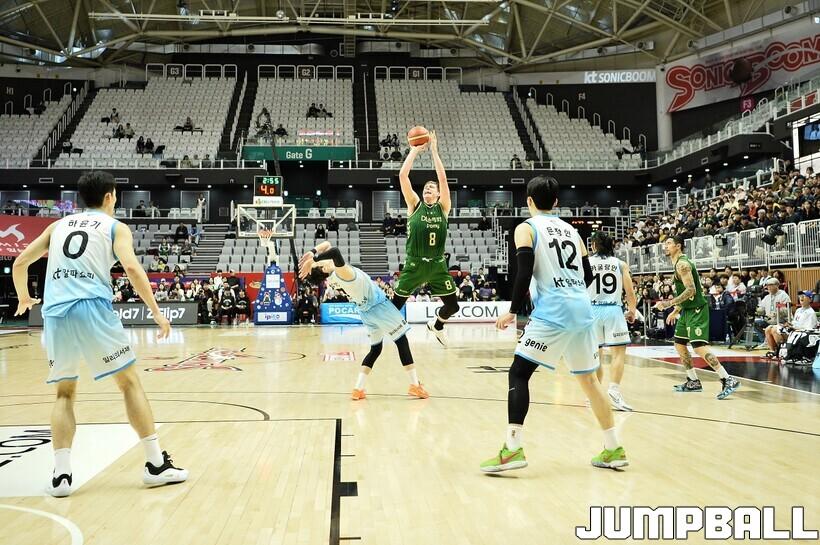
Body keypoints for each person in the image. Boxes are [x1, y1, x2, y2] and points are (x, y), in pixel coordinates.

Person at [11, 171, 187, 497]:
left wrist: (24, 297)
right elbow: (131, 268)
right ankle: (155, 464)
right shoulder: (115, 227)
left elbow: (20, 263)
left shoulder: (56, 226)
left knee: (64, 394)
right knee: (129, 383)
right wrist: (156, 312)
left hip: (55, 312)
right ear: (109, 196)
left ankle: (61, 475)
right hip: (91, 307)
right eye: (116, 195)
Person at [480, 176, 628, 473]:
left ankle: (512, 449)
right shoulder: (573, 231)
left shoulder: (526, 228)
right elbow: (588, 275)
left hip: (554, 310)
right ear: (556, 202)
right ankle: (614, 449)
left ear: (529, 201)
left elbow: (524, 272)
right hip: (582, 309)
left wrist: (512, 310)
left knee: (519, 373)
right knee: (590, 381)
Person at [299, 241, 428, 400]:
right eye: (320, 263)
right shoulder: (342, 273)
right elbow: (335, 251)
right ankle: (415, 385)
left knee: (376, 349)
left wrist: (312, 253)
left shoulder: (333, 276)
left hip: (367, 313)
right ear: (324, 268)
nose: (323, 260)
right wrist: (313, 260)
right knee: (402, 341)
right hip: (379, 307)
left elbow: (327, 245)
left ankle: (358, 389)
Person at [393, 131, 459, 346]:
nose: (428, 189)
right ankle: (378, 331)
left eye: (432, 188)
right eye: (425, 188)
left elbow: (442, 178)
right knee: (395, 306)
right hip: (414, 264)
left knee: (453, 306)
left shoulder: (444, 207)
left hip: (438, 265)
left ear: (438, 194)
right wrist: (414, 150)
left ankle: (437, 325)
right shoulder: (414, 204)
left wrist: (434, 151)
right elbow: (403, 176)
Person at [653, 235, 740, 398]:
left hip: (697, 310)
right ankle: (693, 381)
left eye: (669, 243)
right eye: (665, 244)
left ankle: (727, 379)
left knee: (698, 346)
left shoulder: (683, 264)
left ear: (678, 246)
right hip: (686, 310)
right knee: (679, 343)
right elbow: (686, 291)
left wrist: (668, 303)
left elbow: (691, 290)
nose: (665, 246)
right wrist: (677, 309)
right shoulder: (677, 264)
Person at [588, 231, 637, 412]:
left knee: (595, 355)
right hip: (613, 310)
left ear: (594, 245)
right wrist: (632, 311)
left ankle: (595, 395)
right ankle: (614, 392)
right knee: (618, 354)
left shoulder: (586, 263)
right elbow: (630, 292)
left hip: (591, 310)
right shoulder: (620, 264)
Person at [764, 290, 818, 356]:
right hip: (792, 330)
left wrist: (795, 328)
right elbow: (795, 322)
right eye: (800, 296)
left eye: (804, 296)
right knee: (768, 328)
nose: (801, 297)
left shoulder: (811, 313)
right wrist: (789, 324)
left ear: (810, 299)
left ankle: (780, 351)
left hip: (799, 334)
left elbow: (810, 329)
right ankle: (772, 351)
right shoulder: (798, 310)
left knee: (774, 330)